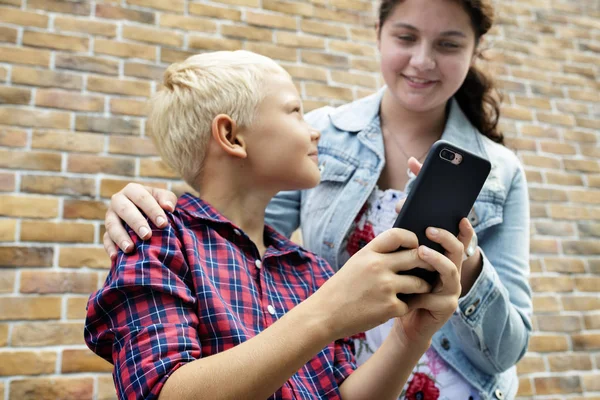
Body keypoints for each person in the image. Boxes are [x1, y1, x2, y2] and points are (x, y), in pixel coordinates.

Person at [101, 0, 533, 398]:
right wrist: (149, 204)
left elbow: (508, 346)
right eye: (405, 38)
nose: (422, 60)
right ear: (378, 32)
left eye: (448, 44)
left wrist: (461, 269)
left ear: (475, 49)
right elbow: (232, 210)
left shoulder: (305, 271)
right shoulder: (177, 244)